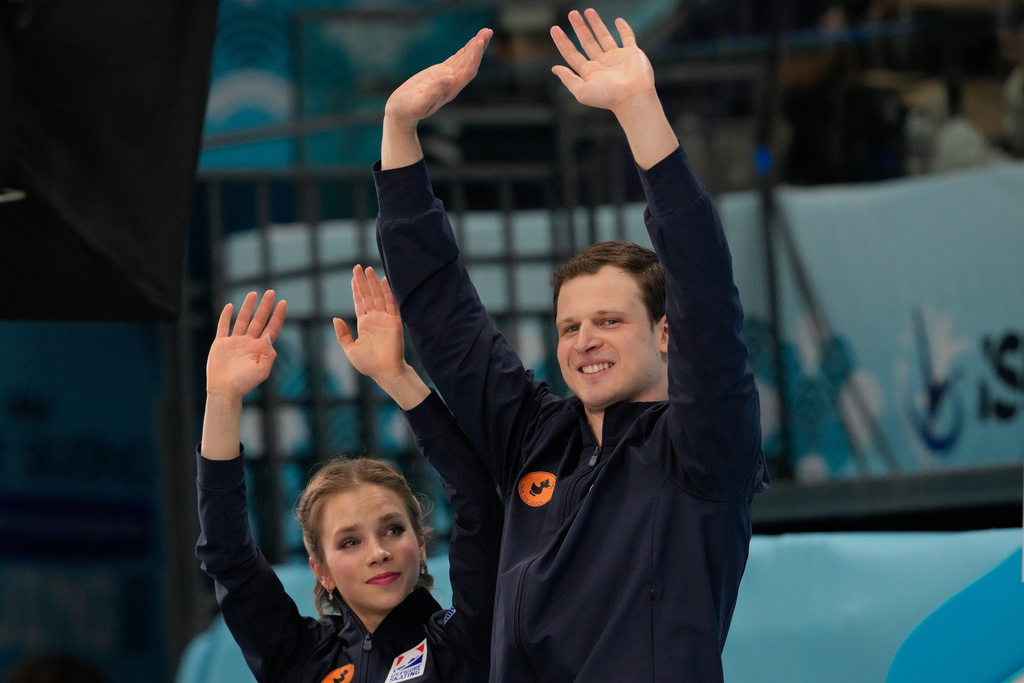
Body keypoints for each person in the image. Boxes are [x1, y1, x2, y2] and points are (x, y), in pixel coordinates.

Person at [372, 9, 769, 682]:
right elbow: (443, 315)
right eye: (569, 327)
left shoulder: (704, 445)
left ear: (666, 333)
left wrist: (642, 113)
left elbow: (704, 287)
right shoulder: (535, 436)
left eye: (610, 321)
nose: (585, 340)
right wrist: (399, 132)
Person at [195, 286, 503, 683]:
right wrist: (222, 398)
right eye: (350, 542)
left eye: (393, 530)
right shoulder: (301, 657)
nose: (378, 552)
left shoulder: (465, 638)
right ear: (320, 571)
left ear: (421, 545)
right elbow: (227, 555)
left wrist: (397, 376)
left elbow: (478, 501)